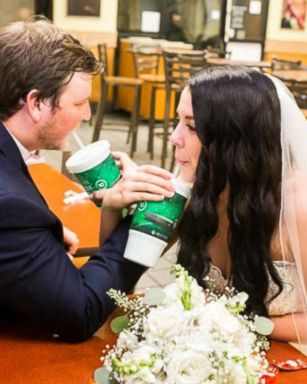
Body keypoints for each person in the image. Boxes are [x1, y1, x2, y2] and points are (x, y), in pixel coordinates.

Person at [99, 66, 307, 346]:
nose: (174, 137)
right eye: (177, 122)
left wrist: (233, 324)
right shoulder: (195, 188)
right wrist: (114, 206)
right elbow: (122, 269)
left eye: (192, 127)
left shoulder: (298, 206)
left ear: (236, 140)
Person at [0, 17, 174, 342]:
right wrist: (140, 216)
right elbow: (81, 312)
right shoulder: (9, 205)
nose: (88, 115)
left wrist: (38, 240)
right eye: (79, 103)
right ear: (37, 103)